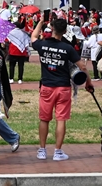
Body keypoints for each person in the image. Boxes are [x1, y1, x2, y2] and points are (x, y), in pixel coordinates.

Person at [31, 16, 94, 161]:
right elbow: (82, 66)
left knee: (44, 119)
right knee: (61, 119)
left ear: (52, 28)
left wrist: (40, 22)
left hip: (46, 86)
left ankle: (42, 150)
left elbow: (33, 36)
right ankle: (58, 152)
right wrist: (88, 82)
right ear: (65, 31)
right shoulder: (67, 48)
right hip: (63, 87)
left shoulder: (42, 45)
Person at [5, 19, 30, 84]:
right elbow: (26, 42)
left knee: (12, 65)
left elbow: (6, 40)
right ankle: (20, 79)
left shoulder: (11, 32)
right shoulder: (23, 33)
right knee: (21, 66)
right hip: (22, 52)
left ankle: (11, 78)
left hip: (13, 51)